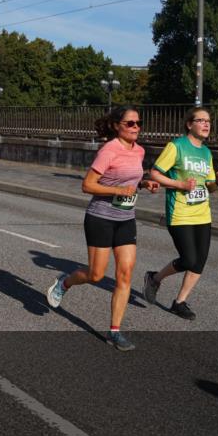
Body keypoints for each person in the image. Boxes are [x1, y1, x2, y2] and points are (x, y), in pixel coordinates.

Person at [45, 105, 159, 351]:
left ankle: (114, 332)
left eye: (138, 123)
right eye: (130, 123)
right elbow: (87, 185)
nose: (136, 127)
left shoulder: (138, 151)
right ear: (118, 126)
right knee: (96, 274)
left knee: (125, 274)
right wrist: (118, 190)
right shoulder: (110, 149)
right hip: (101, 217)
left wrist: (143, 183)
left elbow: (129, 179)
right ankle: (64, 284)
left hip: (126, 218)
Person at [143, 107, 218, 321]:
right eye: (201, 120)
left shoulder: (206, 152)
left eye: (208, 121)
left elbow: (209, 187)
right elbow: (154, 173)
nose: (206, 124)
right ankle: (154, 278)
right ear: (189, 124)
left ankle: (179, 302)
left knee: (199, 262)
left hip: (203, 214)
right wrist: (179, 183)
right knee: (189, 259)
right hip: (180, 213)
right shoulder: (176, 146)